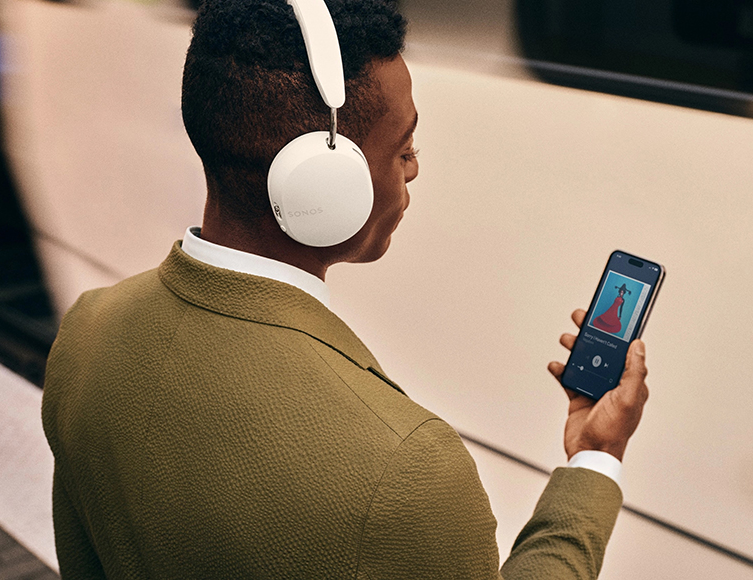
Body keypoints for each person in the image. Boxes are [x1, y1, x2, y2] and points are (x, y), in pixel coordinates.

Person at [41, 0, 650, 578]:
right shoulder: (408, 468)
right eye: (403, 147)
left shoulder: (88, 331)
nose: (414, 167)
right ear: (325, 183)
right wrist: (595, 459)